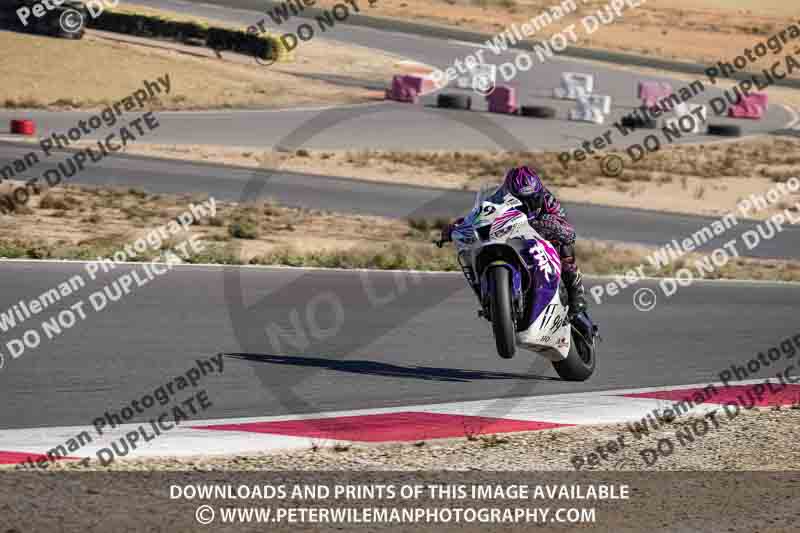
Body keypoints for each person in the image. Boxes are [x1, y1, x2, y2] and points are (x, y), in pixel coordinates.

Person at [441, 165, 587, 316]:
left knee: (564, 246)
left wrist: (551, 225)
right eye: (522, 200)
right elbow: (480, 214)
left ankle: (576, 292)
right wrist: (457, 226)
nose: (528, 204)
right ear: (510, 194)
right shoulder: (499, 198)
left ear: (539, 192)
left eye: (532, 199)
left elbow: (569, 232)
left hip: (539, 238)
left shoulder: (548, 200)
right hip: (511, 235)